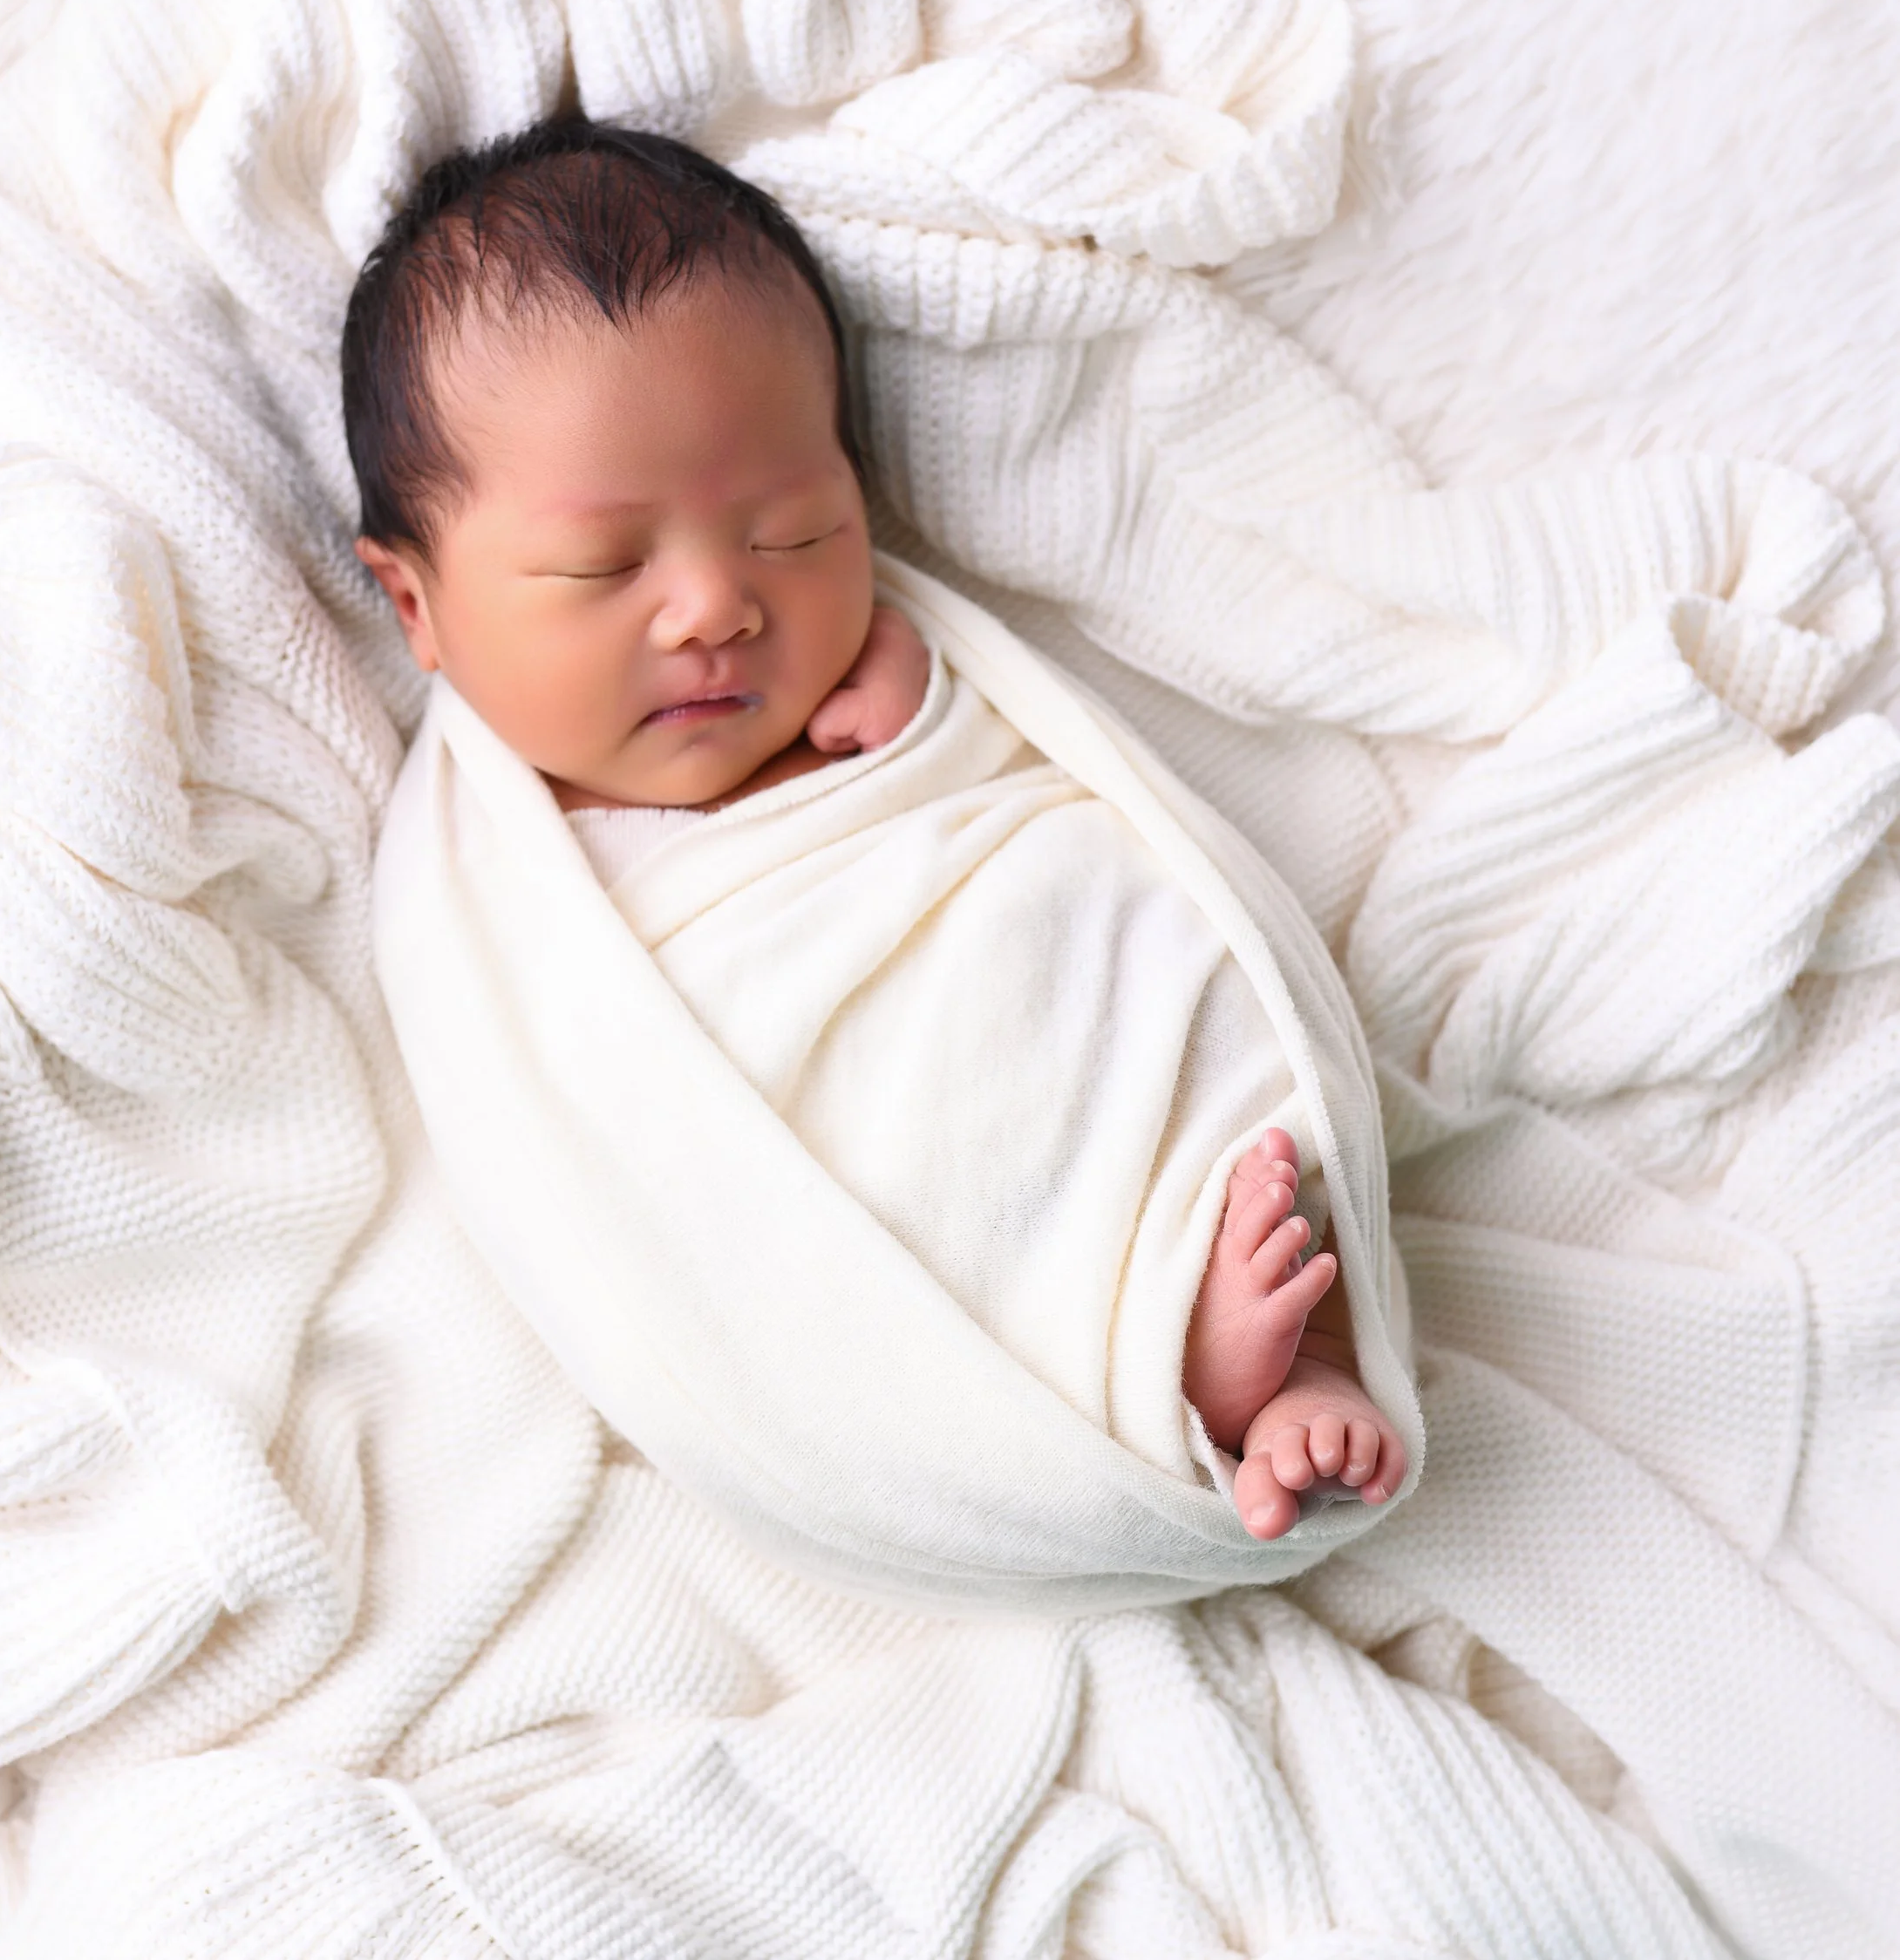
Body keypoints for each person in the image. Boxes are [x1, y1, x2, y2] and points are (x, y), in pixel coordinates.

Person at [345, 116, 1406, 1541]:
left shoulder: (885, 680)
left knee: (1149, 1015)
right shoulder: (483, 896)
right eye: (602, 562)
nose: (717, 606)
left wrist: (922, 723)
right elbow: (589, 1163)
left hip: (1023, 1008)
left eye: (791, 531)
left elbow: (1027, 805)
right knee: (934, 1189)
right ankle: (1155, 1375)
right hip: (845, 1210)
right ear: (415, 606)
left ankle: (1273, 1342)